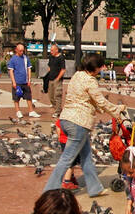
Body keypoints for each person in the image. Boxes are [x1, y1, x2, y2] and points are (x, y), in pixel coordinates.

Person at [43, 53, 126, 199]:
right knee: (67, 158)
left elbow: (88, 100)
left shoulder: (77, 75)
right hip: (79, 123)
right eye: (101, 66)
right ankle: (49, 190)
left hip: (66, 119)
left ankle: (94, 188)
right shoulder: (90, 80)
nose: (102, 69)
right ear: (95, 68)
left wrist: (105, 109)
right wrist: (117, 110)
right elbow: (100, 101)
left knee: (86, 156)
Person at [8, 43, 33, 121]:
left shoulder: (26, 58)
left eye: (23, 50)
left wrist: (29, 79)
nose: (22, 52)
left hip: (25, 81)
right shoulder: (13, 59)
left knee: (28, 96)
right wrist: (14, 82)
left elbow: (29, 68)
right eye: (20, 51)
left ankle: (31, 111)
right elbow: (11, 71)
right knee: (16, 97)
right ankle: (18, 111)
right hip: (17, 81)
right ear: (16, 50)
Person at [42, 44, 66, 125]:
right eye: (50, 50)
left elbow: (63, 70)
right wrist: (48, 75)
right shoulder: (51, 57)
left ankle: (57, 111)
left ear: (56, 50)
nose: (50, 52)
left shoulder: (61, 58)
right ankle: (58, 108)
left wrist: (58, 78)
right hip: (50, 79)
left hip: (57, 80)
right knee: (51, 96)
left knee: (57, 95)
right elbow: (49, 67)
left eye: (52, 50)